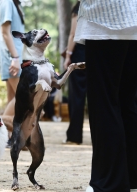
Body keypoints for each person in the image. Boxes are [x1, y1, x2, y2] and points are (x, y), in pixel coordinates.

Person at [73, 0, 137, 192]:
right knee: (124, 99)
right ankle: (131, 181)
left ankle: (109, 186)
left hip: (107, 15)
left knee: (104, 100)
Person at [0, 0, 25, 117]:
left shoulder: (12, 3)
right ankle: (4, 130)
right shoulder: (6, 2)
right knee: (24, 97)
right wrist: (15, 57)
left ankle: (8, 133)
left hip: (12, 54)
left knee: (13, 98)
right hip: (10, 55)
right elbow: (5, 32)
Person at [62, 2, 86, 145]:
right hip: (97, 53)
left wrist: (68, 55)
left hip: (79, 55)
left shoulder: (79, 8)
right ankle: (101, 136)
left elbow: (73, 34)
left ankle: (75, 136)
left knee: (77, 97)